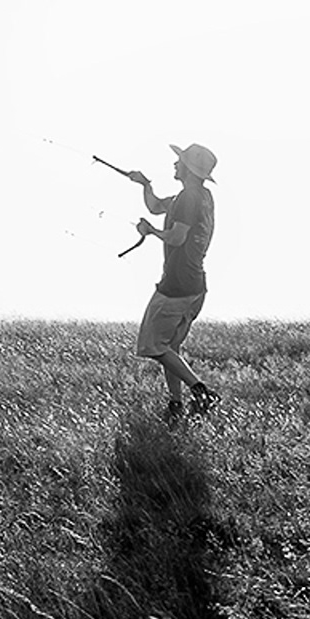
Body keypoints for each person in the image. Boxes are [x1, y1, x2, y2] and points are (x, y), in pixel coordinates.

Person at [122, 143, 218, 422]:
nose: (175, 164)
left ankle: (202, 392)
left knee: (152, 345)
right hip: (195, 286)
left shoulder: (187, 198)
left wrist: (151, 232)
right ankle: (176, 405)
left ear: (188, 168)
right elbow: (156, 207)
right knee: (170, 349)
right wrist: (145, 185)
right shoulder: (199, 196)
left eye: (180, 161)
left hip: (176, 287)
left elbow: (177, 237)